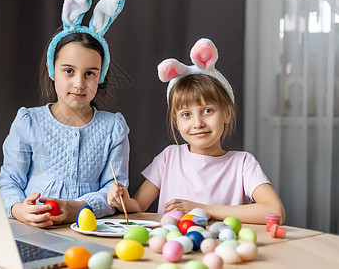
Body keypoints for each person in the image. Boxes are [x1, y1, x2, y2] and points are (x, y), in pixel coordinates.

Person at [107, 38, 286, 224]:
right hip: (174, 252)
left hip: (221, 250)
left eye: (208, 111)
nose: (198, 123)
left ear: (227, 113)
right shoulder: (169, 158)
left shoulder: (243, 164)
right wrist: (123, 201)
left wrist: (203, 209)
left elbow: (275, 211)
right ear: (175, 121)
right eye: (186, 114)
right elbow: (138, 205)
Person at [0, 0, 129, 228]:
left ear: (100, 76)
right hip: (31, 230)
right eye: (68, 71)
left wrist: (76, 209)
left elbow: (114, 191)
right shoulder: (29, 122)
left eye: (90, 73)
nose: (79, 84)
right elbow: (9, 180)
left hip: (89, 230)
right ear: (52, 70)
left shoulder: (113, 128)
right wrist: (19, 210)